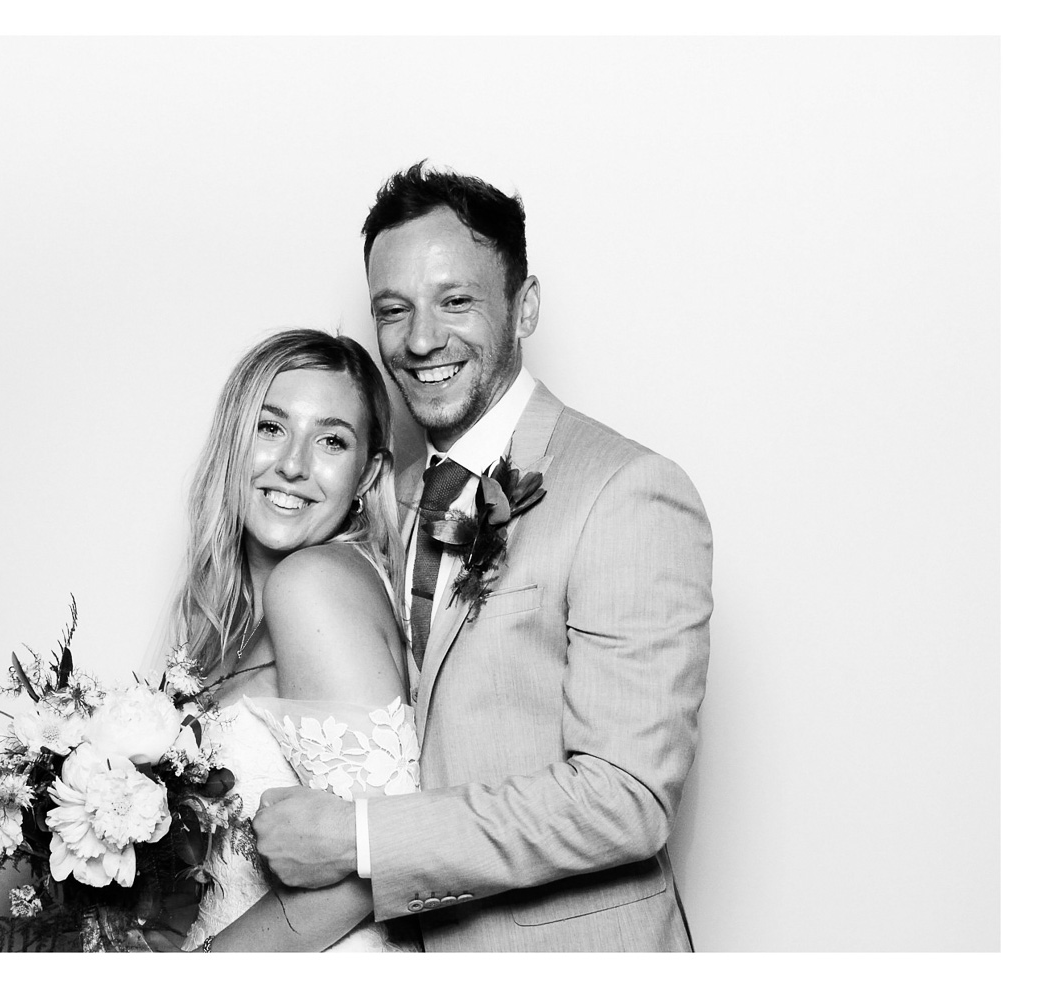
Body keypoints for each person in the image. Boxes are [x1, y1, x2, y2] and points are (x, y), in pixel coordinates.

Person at [251, 163, 714, 951]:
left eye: (455, 301)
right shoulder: (381, 495)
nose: (421, 340)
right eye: (393, 310)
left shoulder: (628, 490)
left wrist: (359, 838)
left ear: (524, 306)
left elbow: (626, 797)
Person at [150, 329, 422, 952]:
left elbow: (379, 860)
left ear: (367, 473)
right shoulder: (218, 626)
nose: (293, 464)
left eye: (331, 440)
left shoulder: (314, 585)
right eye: (271, 428)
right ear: (233, 443)